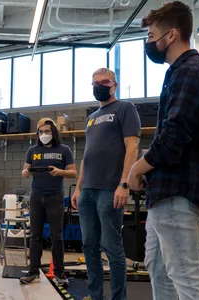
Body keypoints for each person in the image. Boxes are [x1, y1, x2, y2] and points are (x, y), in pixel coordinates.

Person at [127, 2, 199, 300]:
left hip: (178, 193)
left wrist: (136, 168)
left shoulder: (192, 73)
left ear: (171, 35)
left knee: (185, 276)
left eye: (151, 35)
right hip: (165, 192)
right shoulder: (177, 73)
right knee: (158, 269)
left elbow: (174, 138)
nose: (148, 42)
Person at [71, 67, 141, 300]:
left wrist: (124, 184)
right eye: (95, 84)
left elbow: (132, 147)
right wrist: (79, 188)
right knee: (89, 246)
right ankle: (95, 295)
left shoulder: (125, 108)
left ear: (114, 85)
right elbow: (87, 156)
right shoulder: (91, 118)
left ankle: (118, 298)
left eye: (104, 82)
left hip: (110, 190)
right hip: (88, 191)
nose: (99, 86)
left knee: (112, 248)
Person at [19, 118, 77, 286]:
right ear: (37, 134)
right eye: (41, 132)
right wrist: (27, 171)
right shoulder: (32, 150)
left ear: (53, 133)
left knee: (57, 237)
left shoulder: (64, 150)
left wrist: (59, 172)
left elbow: (73, 172)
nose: (44, 134)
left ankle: (59, 274)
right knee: (35, 237)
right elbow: (24, 173)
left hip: (55, 198)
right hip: (36, 197)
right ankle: (32, 272)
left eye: (47, 131)